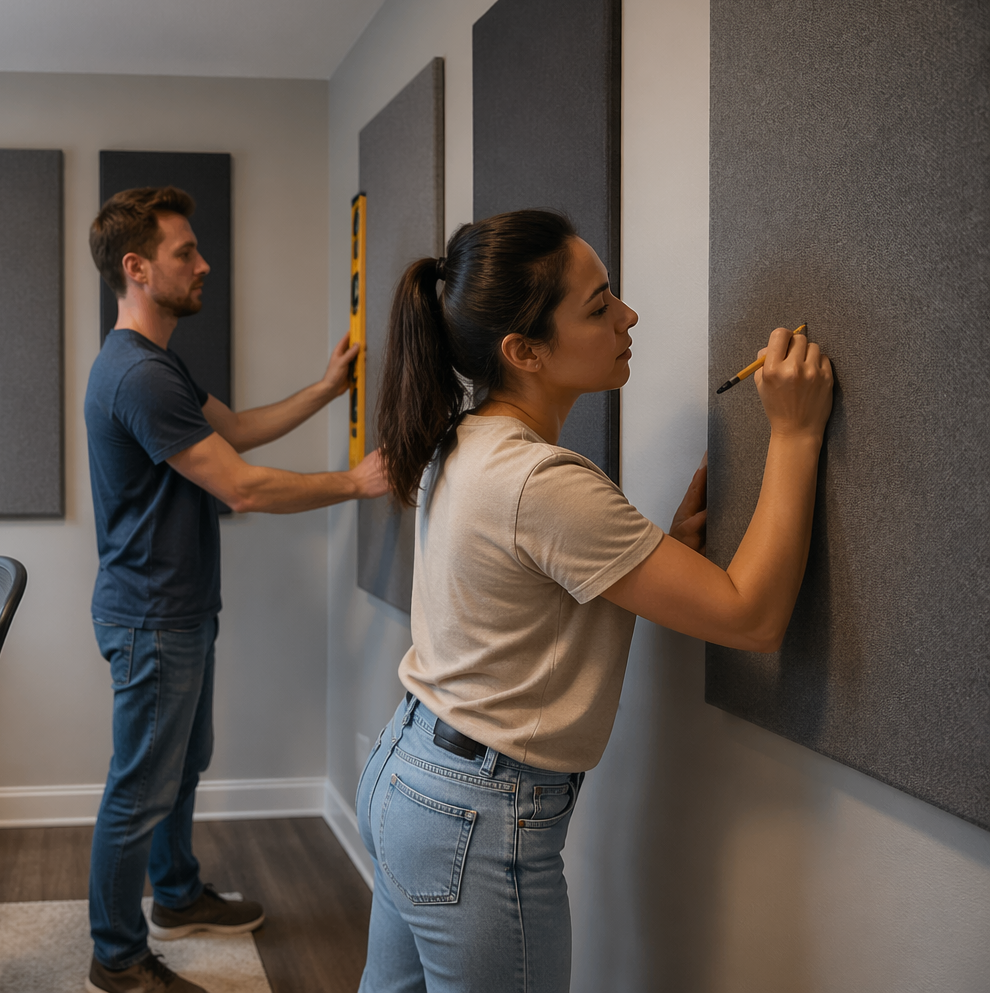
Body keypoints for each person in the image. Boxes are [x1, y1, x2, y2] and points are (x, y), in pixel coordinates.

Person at [355, 209, 833, 992]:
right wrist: (794, 433)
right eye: (599, 304)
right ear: (525, 351)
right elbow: (754, 617)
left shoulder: (466, 441)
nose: (628, 315)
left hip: (411, 776)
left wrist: (659, 559)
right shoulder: (540, 482)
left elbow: (526, 598)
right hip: (472, 815)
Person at [84, 186, 388, 993]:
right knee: (139, 787)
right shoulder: (136, 376)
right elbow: (243, 486)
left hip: (175, 609)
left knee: (180, 769)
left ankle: (177, 896)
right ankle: (115, 956)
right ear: (137, 268)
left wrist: (326, 389)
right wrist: (355, 484)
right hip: (151, 616)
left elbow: (237, 431)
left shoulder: (159, 365)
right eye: (186, 252)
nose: (203, 263)